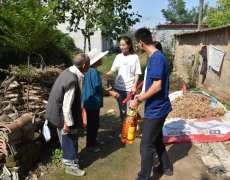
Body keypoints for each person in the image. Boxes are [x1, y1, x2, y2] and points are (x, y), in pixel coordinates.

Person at [129, 28, 173, 180]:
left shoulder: (156, 58)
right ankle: (166, 167)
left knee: (146, 145)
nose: (137, 46)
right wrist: (140, 95)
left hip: (157, 109)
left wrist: (138, 100)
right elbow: (152, 85)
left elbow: (157, 86)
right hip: (159, 106)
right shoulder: (156, 57)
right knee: (157, 139)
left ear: (141, 42)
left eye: (136, 43)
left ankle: (143, 177)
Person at [45, 53, 90, 177]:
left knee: (67, 140)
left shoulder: (68, 71)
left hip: (56, 112)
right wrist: (67, 123)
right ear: (85, 65)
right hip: (62, 114)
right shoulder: (72, 79)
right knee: (69, 139)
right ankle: (71, 167)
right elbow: (66, 106)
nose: (89, 66)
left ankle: (71, 161)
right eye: (89, 64)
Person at [82, 48, 120, 153]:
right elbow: (98, 87)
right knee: (92, 124)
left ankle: (93, 141)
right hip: (92, 102)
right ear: (97, 60)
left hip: (89, 101)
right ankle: (90, 145)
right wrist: (110, 92)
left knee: (94, 123)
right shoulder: (93, 71)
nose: (102, 59)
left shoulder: (89, 70)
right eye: (101, 58)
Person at [105, 36, 142, 124]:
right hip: (119, 88)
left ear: (129, 45)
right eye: (120, 45)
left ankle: (131, 131)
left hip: (130, 89)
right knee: (122, 112)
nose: (121, 47)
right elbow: (112, 70)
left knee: (131, 111)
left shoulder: (135, 57)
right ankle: (124, 130)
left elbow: (137, 73)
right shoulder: (118, 57)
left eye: (123, 45)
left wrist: (134, 86)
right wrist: (103, 76)